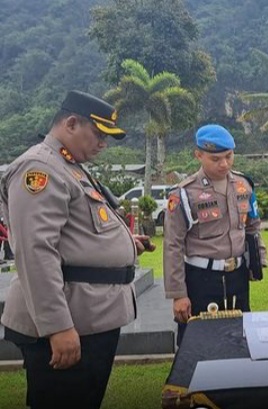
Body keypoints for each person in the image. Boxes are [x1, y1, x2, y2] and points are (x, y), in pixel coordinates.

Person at [0, 90, 155, 409]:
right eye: (99, 134)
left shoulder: (68, 166)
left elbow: (77, 235)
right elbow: (35, 252)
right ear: (71, 123)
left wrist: (126, 245)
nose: (103, 144)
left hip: (90, 317)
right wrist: (58, 327)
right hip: (70, 322)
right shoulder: (40, 168)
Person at [163, 124, 268, 345]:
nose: (224, 164)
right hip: (201, 279)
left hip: (237, 277)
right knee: (199, 343)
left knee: (239, 340)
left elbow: (252, 226)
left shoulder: (244, 185)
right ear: (198, 155)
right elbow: (173, 244)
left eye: (229, 156)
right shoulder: (184, 193)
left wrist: (258, 260)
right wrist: (178, 294)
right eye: (216, 159)